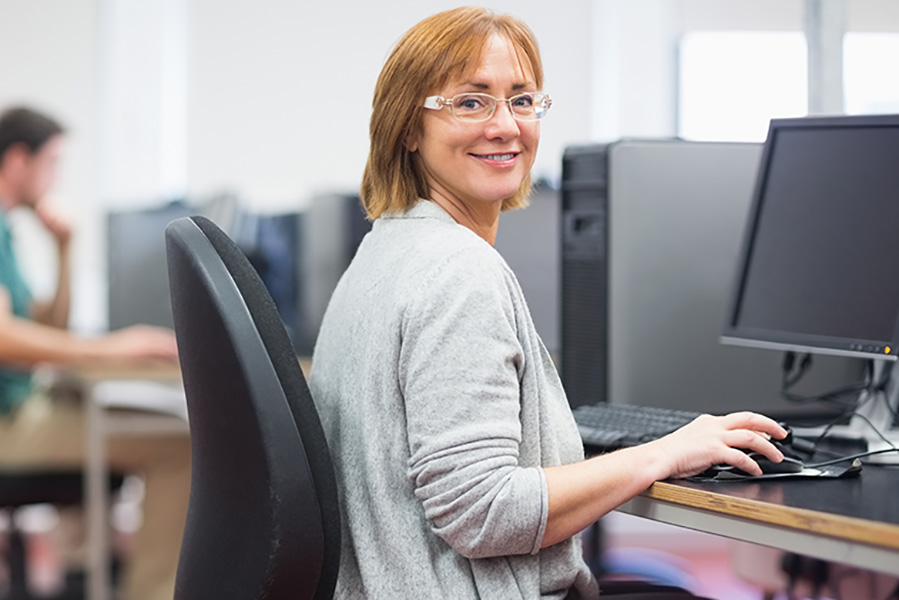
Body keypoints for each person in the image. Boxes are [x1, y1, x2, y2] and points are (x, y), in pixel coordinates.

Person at [309, 7, 788, 600]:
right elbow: (482, 514)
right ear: (409, 127)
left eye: (522, 100)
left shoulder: (386, 248)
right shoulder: (457, 271)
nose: (506, 126)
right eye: (471, 102)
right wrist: (664, 452)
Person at [0, 105, 190, 600]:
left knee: (125, 419)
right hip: (8, 425)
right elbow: (4, 340)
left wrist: (64, 250)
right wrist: (112, 348)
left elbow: (47, 328)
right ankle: (151, 593)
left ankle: (89, 576)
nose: (57, 178)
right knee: (180, 447)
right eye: (53, 163)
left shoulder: (8, 229)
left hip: (20, 408)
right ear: (19, 160)